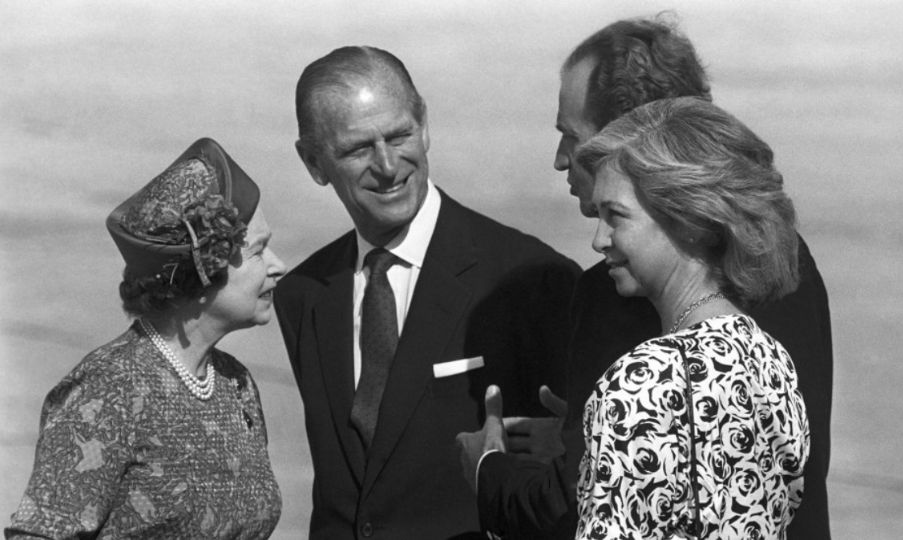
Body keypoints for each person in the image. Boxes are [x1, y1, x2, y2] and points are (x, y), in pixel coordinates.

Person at [463, 16, 833, 539]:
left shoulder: (632, 353)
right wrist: (595, 438)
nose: (560, 159)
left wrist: (488, 468)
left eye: (572, 136)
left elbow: (568, 512)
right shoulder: (775, 316)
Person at [273, 46, 580, 539]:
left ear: (425, 125)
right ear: (313, 161)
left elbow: (574, 484)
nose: (388, 165)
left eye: (399, 136)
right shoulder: (304, 296)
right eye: (358, 149)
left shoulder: (531, 278)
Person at [5, 138, 286, 539]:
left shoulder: (234, 384)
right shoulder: (108, 391)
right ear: (206, 270)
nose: (280, 266)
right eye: (260, 252)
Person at [575, 96, 809, 538]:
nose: (598, 239)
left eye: (616, 217)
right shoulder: (771, 361)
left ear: (690, 221)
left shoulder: (641, 381)